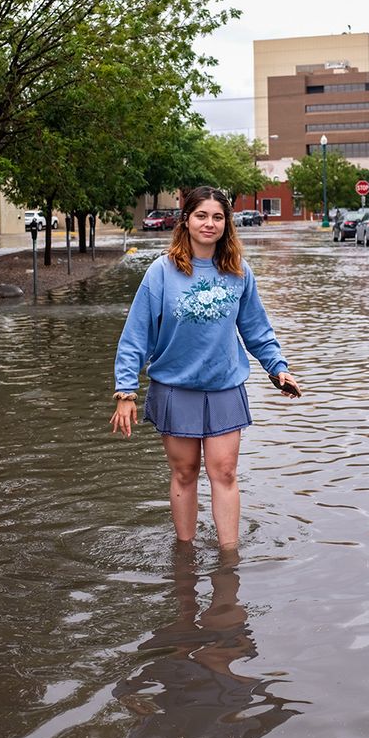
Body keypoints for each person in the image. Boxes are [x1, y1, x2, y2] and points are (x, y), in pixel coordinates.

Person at [111, 186, 300, 548]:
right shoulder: (161, 272)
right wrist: (125, 390)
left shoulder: (238, 271)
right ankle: (186, 556)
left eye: (217, 217)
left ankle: (229, 562)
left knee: (225, 472)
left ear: (227, 224)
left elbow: (256, 328)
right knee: (184, 473)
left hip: (225, 386)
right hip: (175, 387)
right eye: (201, 215)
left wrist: (278, 368)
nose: (209, 224)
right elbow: (136, 335)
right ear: (186, 220)